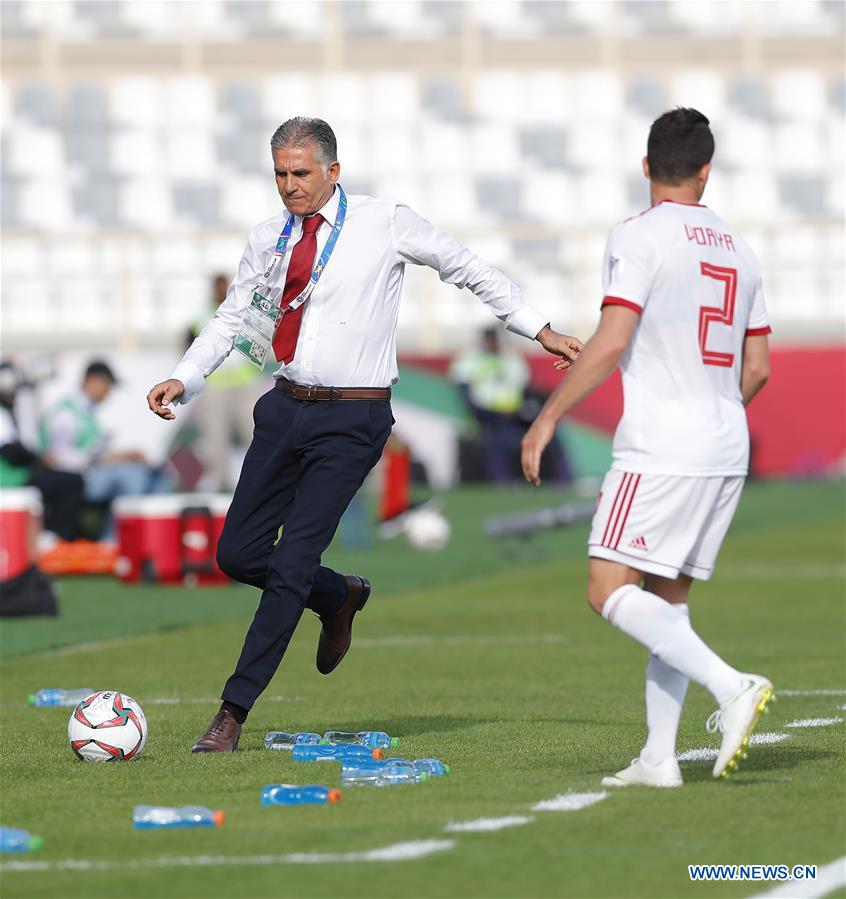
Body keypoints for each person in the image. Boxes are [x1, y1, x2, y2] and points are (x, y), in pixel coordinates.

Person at [146, 116, 583, 753]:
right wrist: (185, 377)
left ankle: (232, 712)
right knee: (236, 555)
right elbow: (232, 317)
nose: (289, 186)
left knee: (291, 562)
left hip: (352, 419)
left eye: (300, 173)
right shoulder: (268, 239)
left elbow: (467, 267)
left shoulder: (385, 221)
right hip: (285, 405)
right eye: (279, 175)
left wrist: (538, 328)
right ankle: (340, 594)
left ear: (333, 170)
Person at [521, 108, 773, 786]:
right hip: (724, 440)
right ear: (705, 170)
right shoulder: (740, 250)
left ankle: (732, 685)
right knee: (668, 597)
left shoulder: (638, 235)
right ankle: (659, 758)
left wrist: (547, 419)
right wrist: (712, 416)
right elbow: (758, 370)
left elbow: (611, 338)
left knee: (607, 590)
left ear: (645, 166)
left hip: (662, 443)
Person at [40, 361, 169, 535]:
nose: (109, 392)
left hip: (89, 472)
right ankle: (114, 542)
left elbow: (92, 454)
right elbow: (53, 457)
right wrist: (109, 459)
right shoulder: (67, 412)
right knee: (132, 478)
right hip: (76, 478)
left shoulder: (86, 411)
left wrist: (119, 457)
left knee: (157, 477)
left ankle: (150, 538)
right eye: (108, 385)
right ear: (92, 380)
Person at [185, 273, 267, 491]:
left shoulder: (246, 312)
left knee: (257, 436)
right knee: (216, 440)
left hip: (246, 385)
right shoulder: (201, 318)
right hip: (216, 388)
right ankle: (221, 486)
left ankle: (261, 483)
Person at [0, 361, 84, 542]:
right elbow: (11, 452)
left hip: (17, 479)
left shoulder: (9, 412)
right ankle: (54, 539)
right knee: (71, 483)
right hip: (11, 484)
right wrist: (38, 457)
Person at [451, 327, 530, 483]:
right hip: (486, 414)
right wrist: (475, 411)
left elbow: (523, 384)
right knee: (496, 445)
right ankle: (504, 480)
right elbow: (462, 385)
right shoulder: (472, 358)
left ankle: (517, 479)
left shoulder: (510, 357)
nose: (492, 343)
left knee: (513, 444)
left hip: (511, 414)